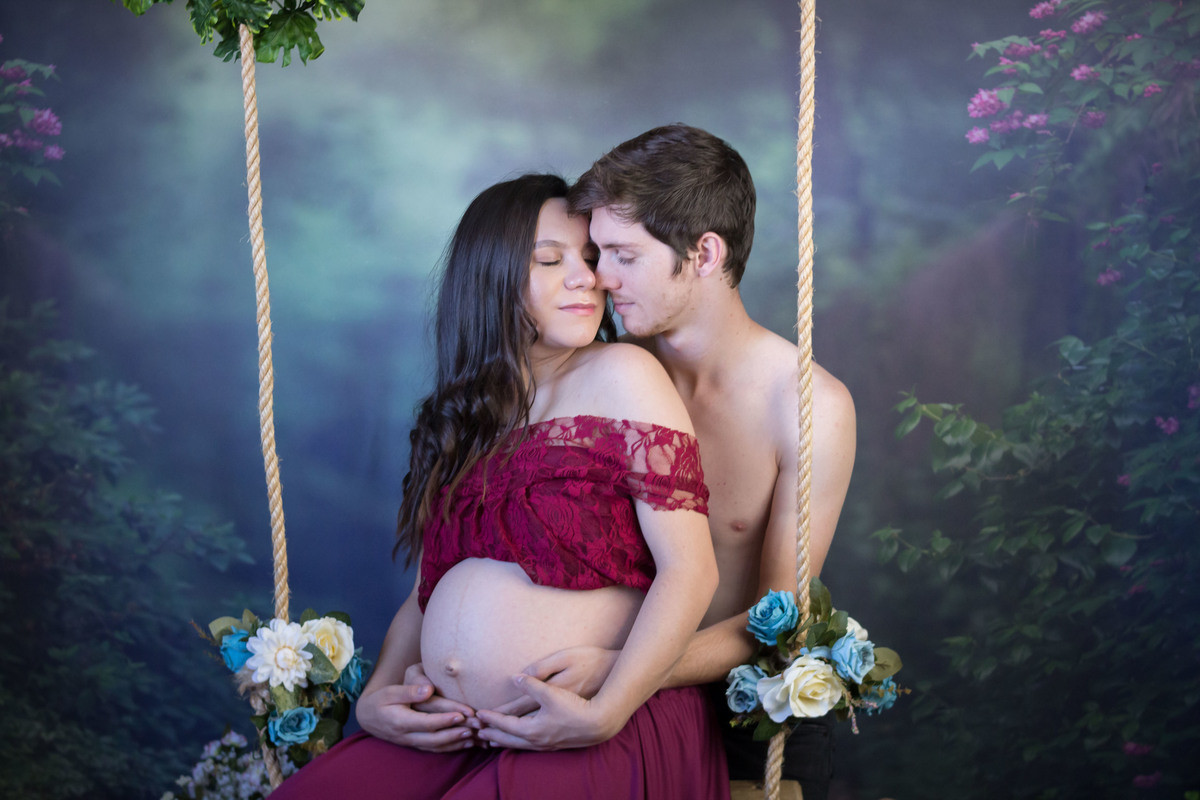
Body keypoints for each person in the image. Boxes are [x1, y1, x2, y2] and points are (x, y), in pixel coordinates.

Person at [271, 173, 730, 799]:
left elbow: (691, 572)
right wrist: (376, 698)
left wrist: (608, 710)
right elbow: (426, 594)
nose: (587, 278)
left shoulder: (624, 373)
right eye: (550, 260)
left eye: (591, 258)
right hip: (457, 730)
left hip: (600, 716)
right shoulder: (460, 417)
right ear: (491, 277)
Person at [473, 125, 857, 799]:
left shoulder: (808, 407)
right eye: (598, 252)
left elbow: (779, 617)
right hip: (587, 696)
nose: (598, 277)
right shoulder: (598, 372)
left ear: (704, 253)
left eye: (623, 255)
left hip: (740, 712)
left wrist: (620, 670)